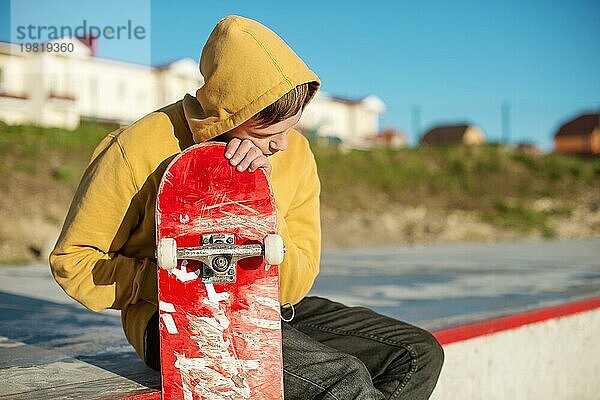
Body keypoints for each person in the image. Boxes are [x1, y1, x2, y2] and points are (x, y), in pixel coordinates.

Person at [50, 15, 443, 399]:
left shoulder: (296, 154)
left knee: (416, 354)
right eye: (269, 132)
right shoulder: (139, 149)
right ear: (230, 116)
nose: (284, 144)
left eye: (292, 126)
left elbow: (295, 282)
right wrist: (167, 284)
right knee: (341, 380)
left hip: (272, 304)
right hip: (174, 319)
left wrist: (259, 198)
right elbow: (74, 261)